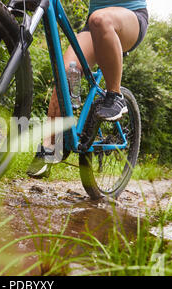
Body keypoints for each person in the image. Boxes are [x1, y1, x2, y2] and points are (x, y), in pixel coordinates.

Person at [27, 0, 149, 178]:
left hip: (131, 18)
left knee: (100, 19)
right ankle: (51, 147)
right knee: (66, 72)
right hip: (93, 25)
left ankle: (114, 95)